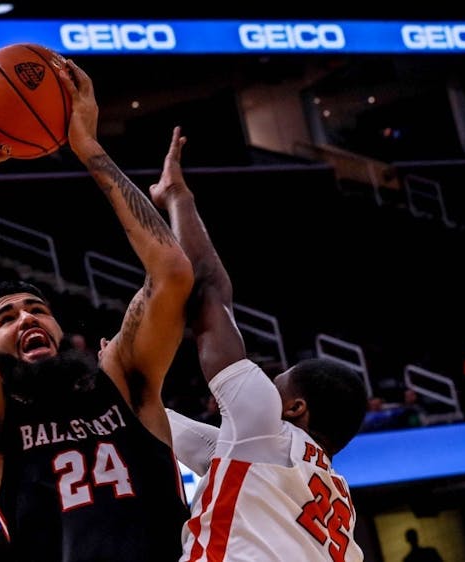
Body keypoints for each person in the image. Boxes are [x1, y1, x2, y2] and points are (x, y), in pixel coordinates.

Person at [0, 60, 194, 562]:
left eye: (36, 308)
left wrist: (88, 147)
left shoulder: (122, 379)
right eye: (7, 318)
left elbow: (172, 274)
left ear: (59, 327)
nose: (26, 318)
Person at [150, 128, 368, 560]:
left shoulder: (264, 429)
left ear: (294, 408)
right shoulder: (326, 489)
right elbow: (191, 438)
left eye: (275, 383)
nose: (264, 384)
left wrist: (178, 197)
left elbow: (210, 289)